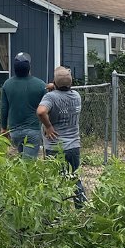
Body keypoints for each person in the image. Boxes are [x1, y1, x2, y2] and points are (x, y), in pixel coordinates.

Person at [37, 67, 88, 208]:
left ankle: (57, 212)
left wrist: (48, 126)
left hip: (55, 147)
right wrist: (56, 85)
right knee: (74, 178)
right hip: (73, 145)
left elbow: (41, 111)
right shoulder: (76, 96)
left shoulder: (50, 97)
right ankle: (81, 208)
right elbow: (63, 91)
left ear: (54, 82)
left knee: (55, 180)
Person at [0, 52, 46, 159]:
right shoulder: (41, 85)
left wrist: (3, 128)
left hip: (15, 132)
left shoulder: (7, 84)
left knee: (22, 161)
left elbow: (4, 108)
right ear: (29, 67)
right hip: (33, 131)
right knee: (28, 166)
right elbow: (47, 108)